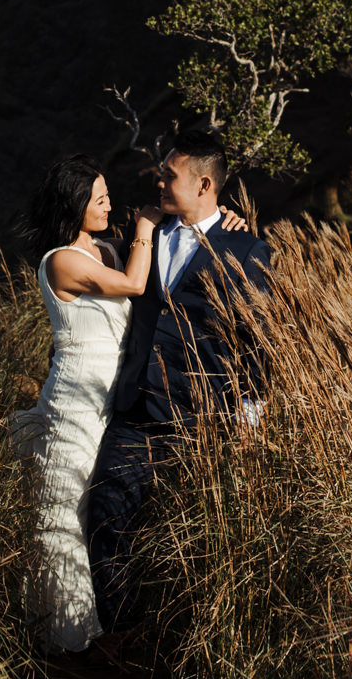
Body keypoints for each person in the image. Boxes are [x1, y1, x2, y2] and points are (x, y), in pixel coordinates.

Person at [11, 152, 256, 653]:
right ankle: (71, 638)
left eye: (106, 196)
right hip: (86, 397)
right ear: (76, 204)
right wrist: (146, 224)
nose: (111, 203)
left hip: (139, 400)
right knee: (70, 509)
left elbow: (234, 313)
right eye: (99, 198)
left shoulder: (108, 248)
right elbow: (135, 286)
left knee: (102, 510)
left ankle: (111, 635)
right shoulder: (69, 258)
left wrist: (221, 224)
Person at [84, 130, 271, 639]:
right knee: (106, 517)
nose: (159, 179)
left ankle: (173, 648)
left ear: (204, 184)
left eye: (170, 174)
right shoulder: (142, 230)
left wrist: (248, 415)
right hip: (136, 408)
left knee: (189, 541)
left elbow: (257, 341)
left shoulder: (248, 248)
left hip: (200, 418)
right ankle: (118, 639)